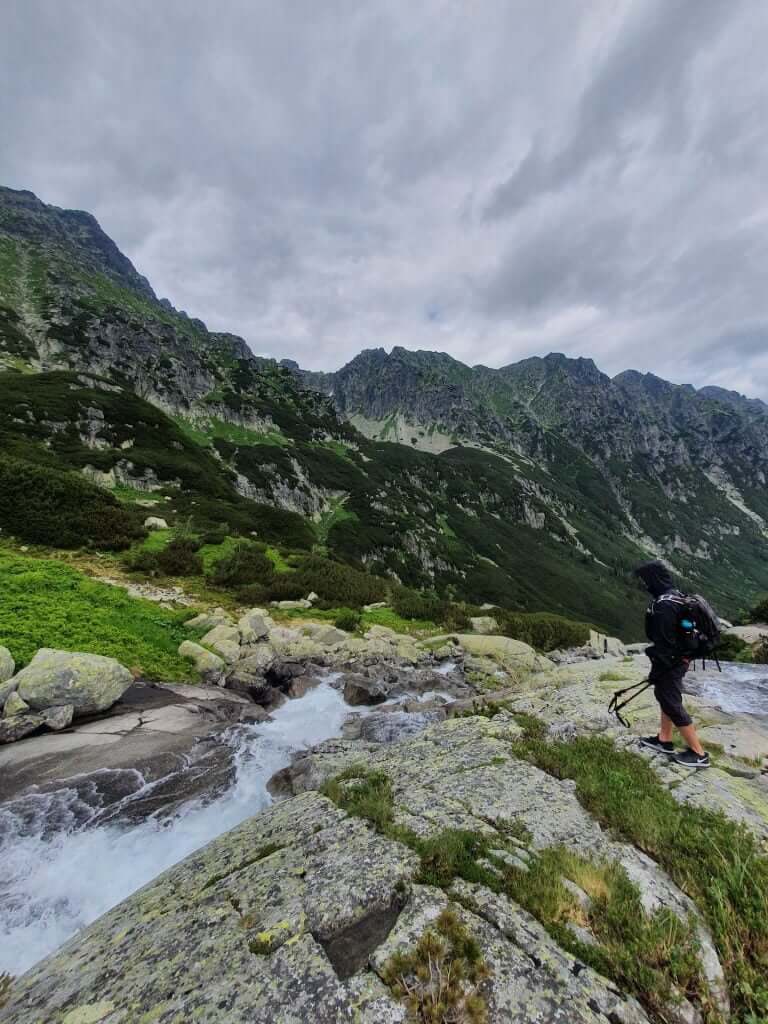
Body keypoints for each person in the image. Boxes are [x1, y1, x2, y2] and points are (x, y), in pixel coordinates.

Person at [633, 560, 710, 768]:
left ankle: (698, 753)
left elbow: (666, 642)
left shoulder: (663, 604)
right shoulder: (675, 596)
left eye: (645, 580)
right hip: (680, 658)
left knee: (671, 701)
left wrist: (658, 666)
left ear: (653, 579)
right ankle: (664, 739)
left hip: (671, 661)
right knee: (665, 696)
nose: (644, 584)